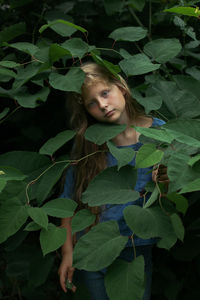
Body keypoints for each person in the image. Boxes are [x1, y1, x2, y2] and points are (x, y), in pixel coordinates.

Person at [58, 62, 168, 300]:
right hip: (94, 247)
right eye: (92, 103)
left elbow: (169, 195)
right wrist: (68, 252)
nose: (103, 105)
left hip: (136, 249)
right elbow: (68, 202)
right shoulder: (90, 142)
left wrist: (166, 181)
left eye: (105, 93)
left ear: (121, 87)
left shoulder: (159, 134)